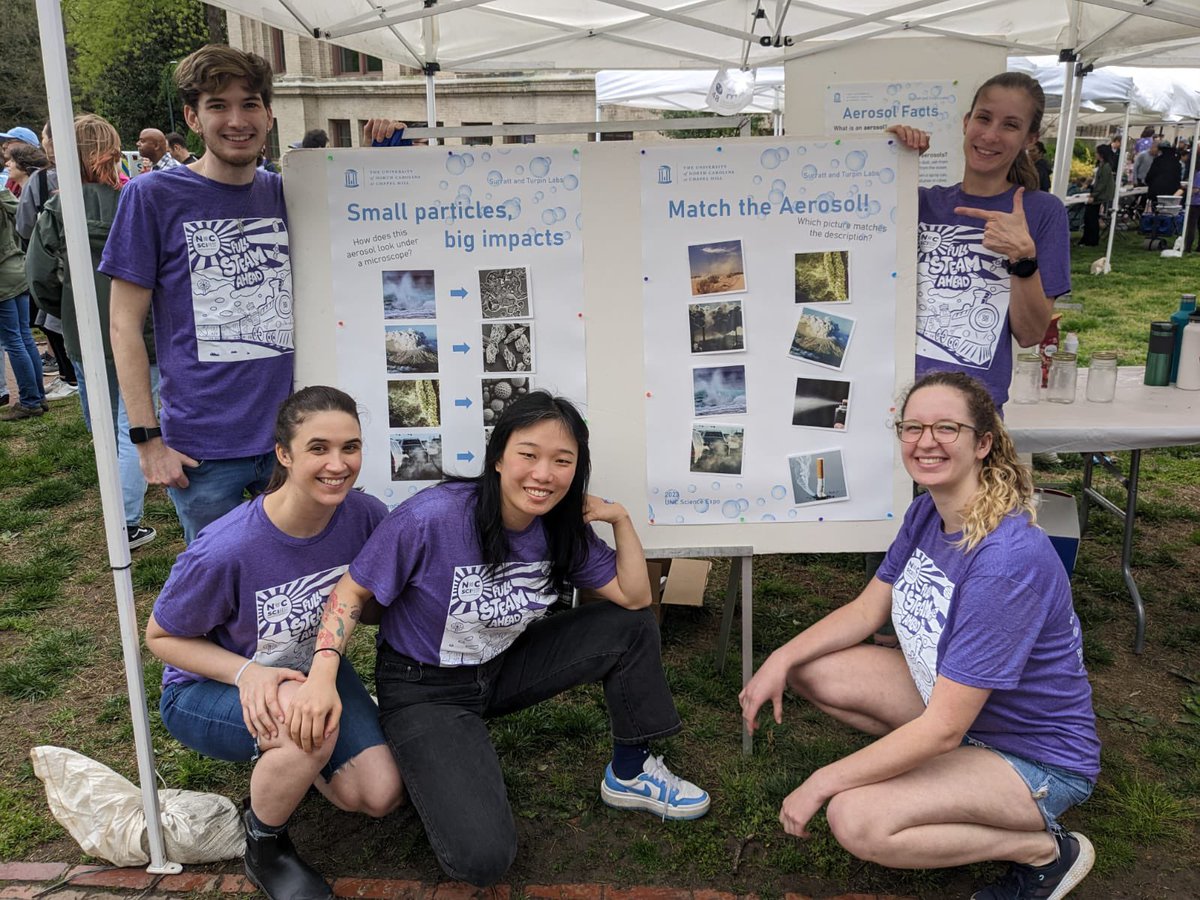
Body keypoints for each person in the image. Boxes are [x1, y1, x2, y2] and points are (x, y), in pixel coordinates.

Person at [286, 390, 710, 887]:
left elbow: (636, 599)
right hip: (424, 688)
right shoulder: (432, 517)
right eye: (528, 455)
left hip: (501, 665)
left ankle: (632, 771)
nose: (543, 474)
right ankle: (421, 742)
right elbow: (350, 593)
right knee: (482, 860)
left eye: (562, 461)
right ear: (498, 458)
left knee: (629, 627)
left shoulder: (559, 526)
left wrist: (621, 520)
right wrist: (321, 676)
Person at [741, 371, 1099, 900]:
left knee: (855, 818)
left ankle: (1044, 851)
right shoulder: (929, 509)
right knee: (811, 666)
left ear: (983, 444)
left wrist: (823, 779)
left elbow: (942, 730)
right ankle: (944, 780)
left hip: (1036, 755)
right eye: (913, 427)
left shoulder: (1005, 562)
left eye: (946, 428)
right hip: (960, 712)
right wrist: (778, 657)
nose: (925, 441)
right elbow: (868, 609)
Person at [145, 386, 404, 900]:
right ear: (284, 455)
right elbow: (161, 637)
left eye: (350, 447)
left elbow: (374, 604)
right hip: (208, 687)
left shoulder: (365, 515)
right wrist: (249, 673)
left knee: (378, 794)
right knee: (306, 724)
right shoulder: (226, 548)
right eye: (318, 448)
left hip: (312, 672)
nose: (338, 464)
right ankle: (266, 844)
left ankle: (292, 762)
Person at [103, 44, 294, 544]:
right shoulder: (151, 197)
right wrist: (147, 442)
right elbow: (123, 325)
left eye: (250, 103)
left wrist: (386, 143)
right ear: (192, 116)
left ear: (268, 115)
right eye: (218, 105)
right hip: (203, 449)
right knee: (219, 590)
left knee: (294, 577)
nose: (237, 120)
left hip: (290, 437)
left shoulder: (286, 193)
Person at [889, 72, 1071, 413]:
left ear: (1030, 139)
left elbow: (1031, 334)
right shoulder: (921, 203)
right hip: (896, 404)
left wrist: (1023, 259)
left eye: (1010, 125)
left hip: (974, 415)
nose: (990, 135)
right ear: (966, 121)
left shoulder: (1043, 212)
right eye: (984, 118)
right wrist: (888, 156)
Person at [25, 113, 159, 549]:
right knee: (131, 425)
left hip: (86, 331)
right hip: (144, 332)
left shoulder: (58, 208)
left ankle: (122, 516)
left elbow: (40, 277)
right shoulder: (138, 200)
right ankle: (126, 521)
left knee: (105, 424)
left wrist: (67, 313)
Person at [0, 182, 45, 419]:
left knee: (13, 341)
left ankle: (29, 401)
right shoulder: (6, 196)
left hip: (3, 280)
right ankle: (38, 396)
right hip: (17, 269)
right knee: (24, 336)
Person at [1080, 143, 1115, 247]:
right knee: (1089, 217)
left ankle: (1091, 240)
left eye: (1097, 153)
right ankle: (1087, 239)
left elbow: (1102, 183)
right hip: (1098, 194)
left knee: (1091, 217)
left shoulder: (1106, 167)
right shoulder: (1101, 165)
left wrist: (1094, 195)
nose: (1095, 154)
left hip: (1100, 196)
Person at [1145, 141, 1183, 211]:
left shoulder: (1157, 160)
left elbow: (1150, 175)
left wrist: (1147, 181)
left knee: (1156, 211)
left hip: (1156, 192)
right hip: (1172, 193)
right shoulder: (1176, 162)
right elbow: (1178, 178)